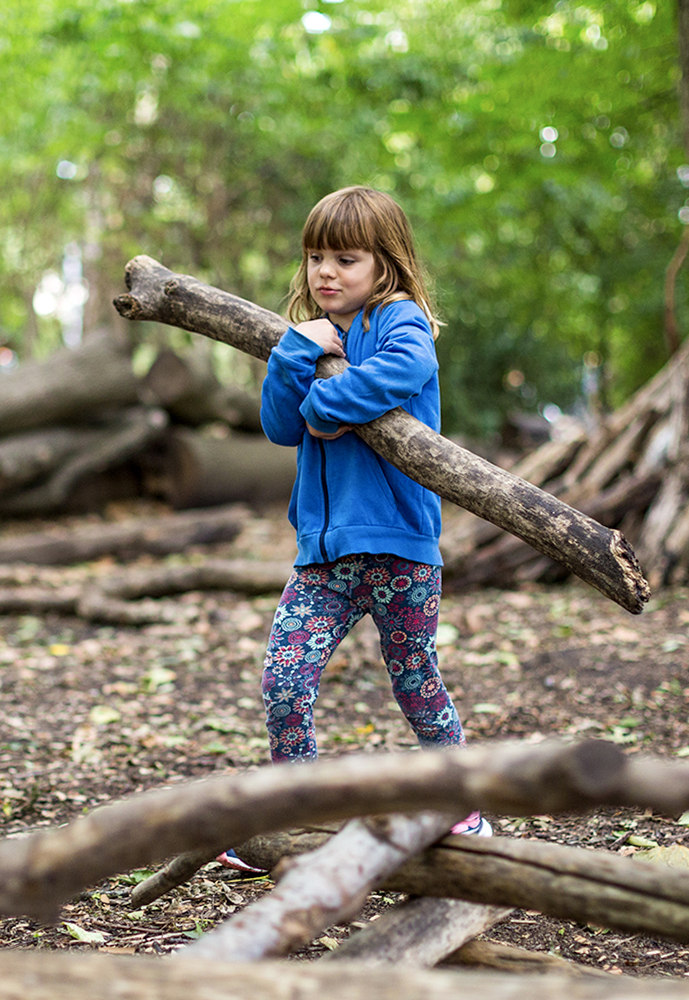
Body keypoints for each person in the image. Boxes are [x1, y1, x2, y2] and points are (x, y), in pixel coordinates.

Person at [218, 186, 489, 873]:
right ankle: (295, 814)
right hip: (323, 559)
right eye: (315, 258)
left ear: (385, 263)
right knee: (285, 680)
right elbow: (281, 426)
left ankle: (463, 803)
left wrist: (327, 405)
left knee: (415, 679)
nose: (325, 273)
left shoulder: (401, 319)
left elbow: (406, 370)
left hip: (400, 550)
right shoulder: (310, 335)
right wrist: (293, 354)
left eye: (345, 258)